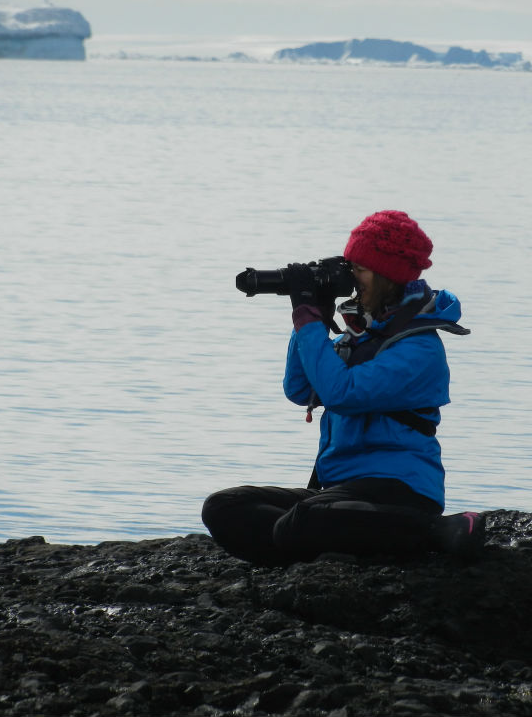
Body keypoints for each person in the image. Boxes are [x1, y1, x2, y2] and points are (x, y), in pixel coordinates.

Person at [202, 210, 485, 566]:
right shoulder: (363, 333)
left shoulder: (418, 349)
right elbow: (300, 388)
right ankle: (317, 549)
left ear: (388, 275)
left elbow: (341, 394)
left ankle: (439, 530)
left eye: (360, 269)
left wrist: (308, 321)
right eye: (349, 266)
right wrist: (313, 314)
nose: (352, 278)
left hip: (399, 489)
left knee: (303, 521)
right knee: (224, 507)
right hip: (341, 490)